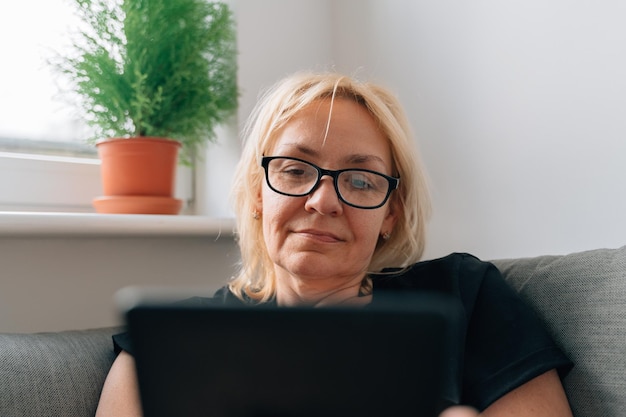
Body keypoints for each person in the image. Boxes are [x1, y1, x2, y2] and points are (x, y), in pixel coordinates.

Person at [95, 72, 573, 416]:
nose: (323, 201)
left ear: (391, 212)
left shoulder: (465, 297)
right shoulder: (162, 345)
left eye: (361, 180)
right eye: (296, 170)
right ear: (259, 193)